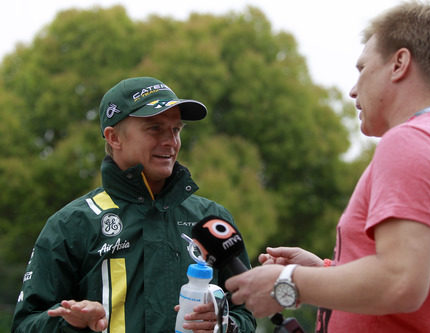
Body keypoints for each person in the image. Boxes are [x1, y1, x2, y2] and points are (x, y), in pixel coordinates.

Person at [225, 2, 430, 332]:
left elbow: (401, 282)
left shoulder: (412, 140)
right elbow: (424, 293)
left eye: (362, 69)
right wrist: (325, 272)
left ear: (399, 64)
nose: (353, 89)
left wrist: (289, 281)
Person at [11, 76, 256, 332]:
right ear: (114, 138)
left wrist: (225, 324)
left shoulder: (211, 219)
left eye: (176, 129)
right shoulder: (71, 224)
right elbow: (25, 324)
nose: (171, 142)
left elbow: (247, 311)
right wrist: (71, 324)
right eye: (155, 128)